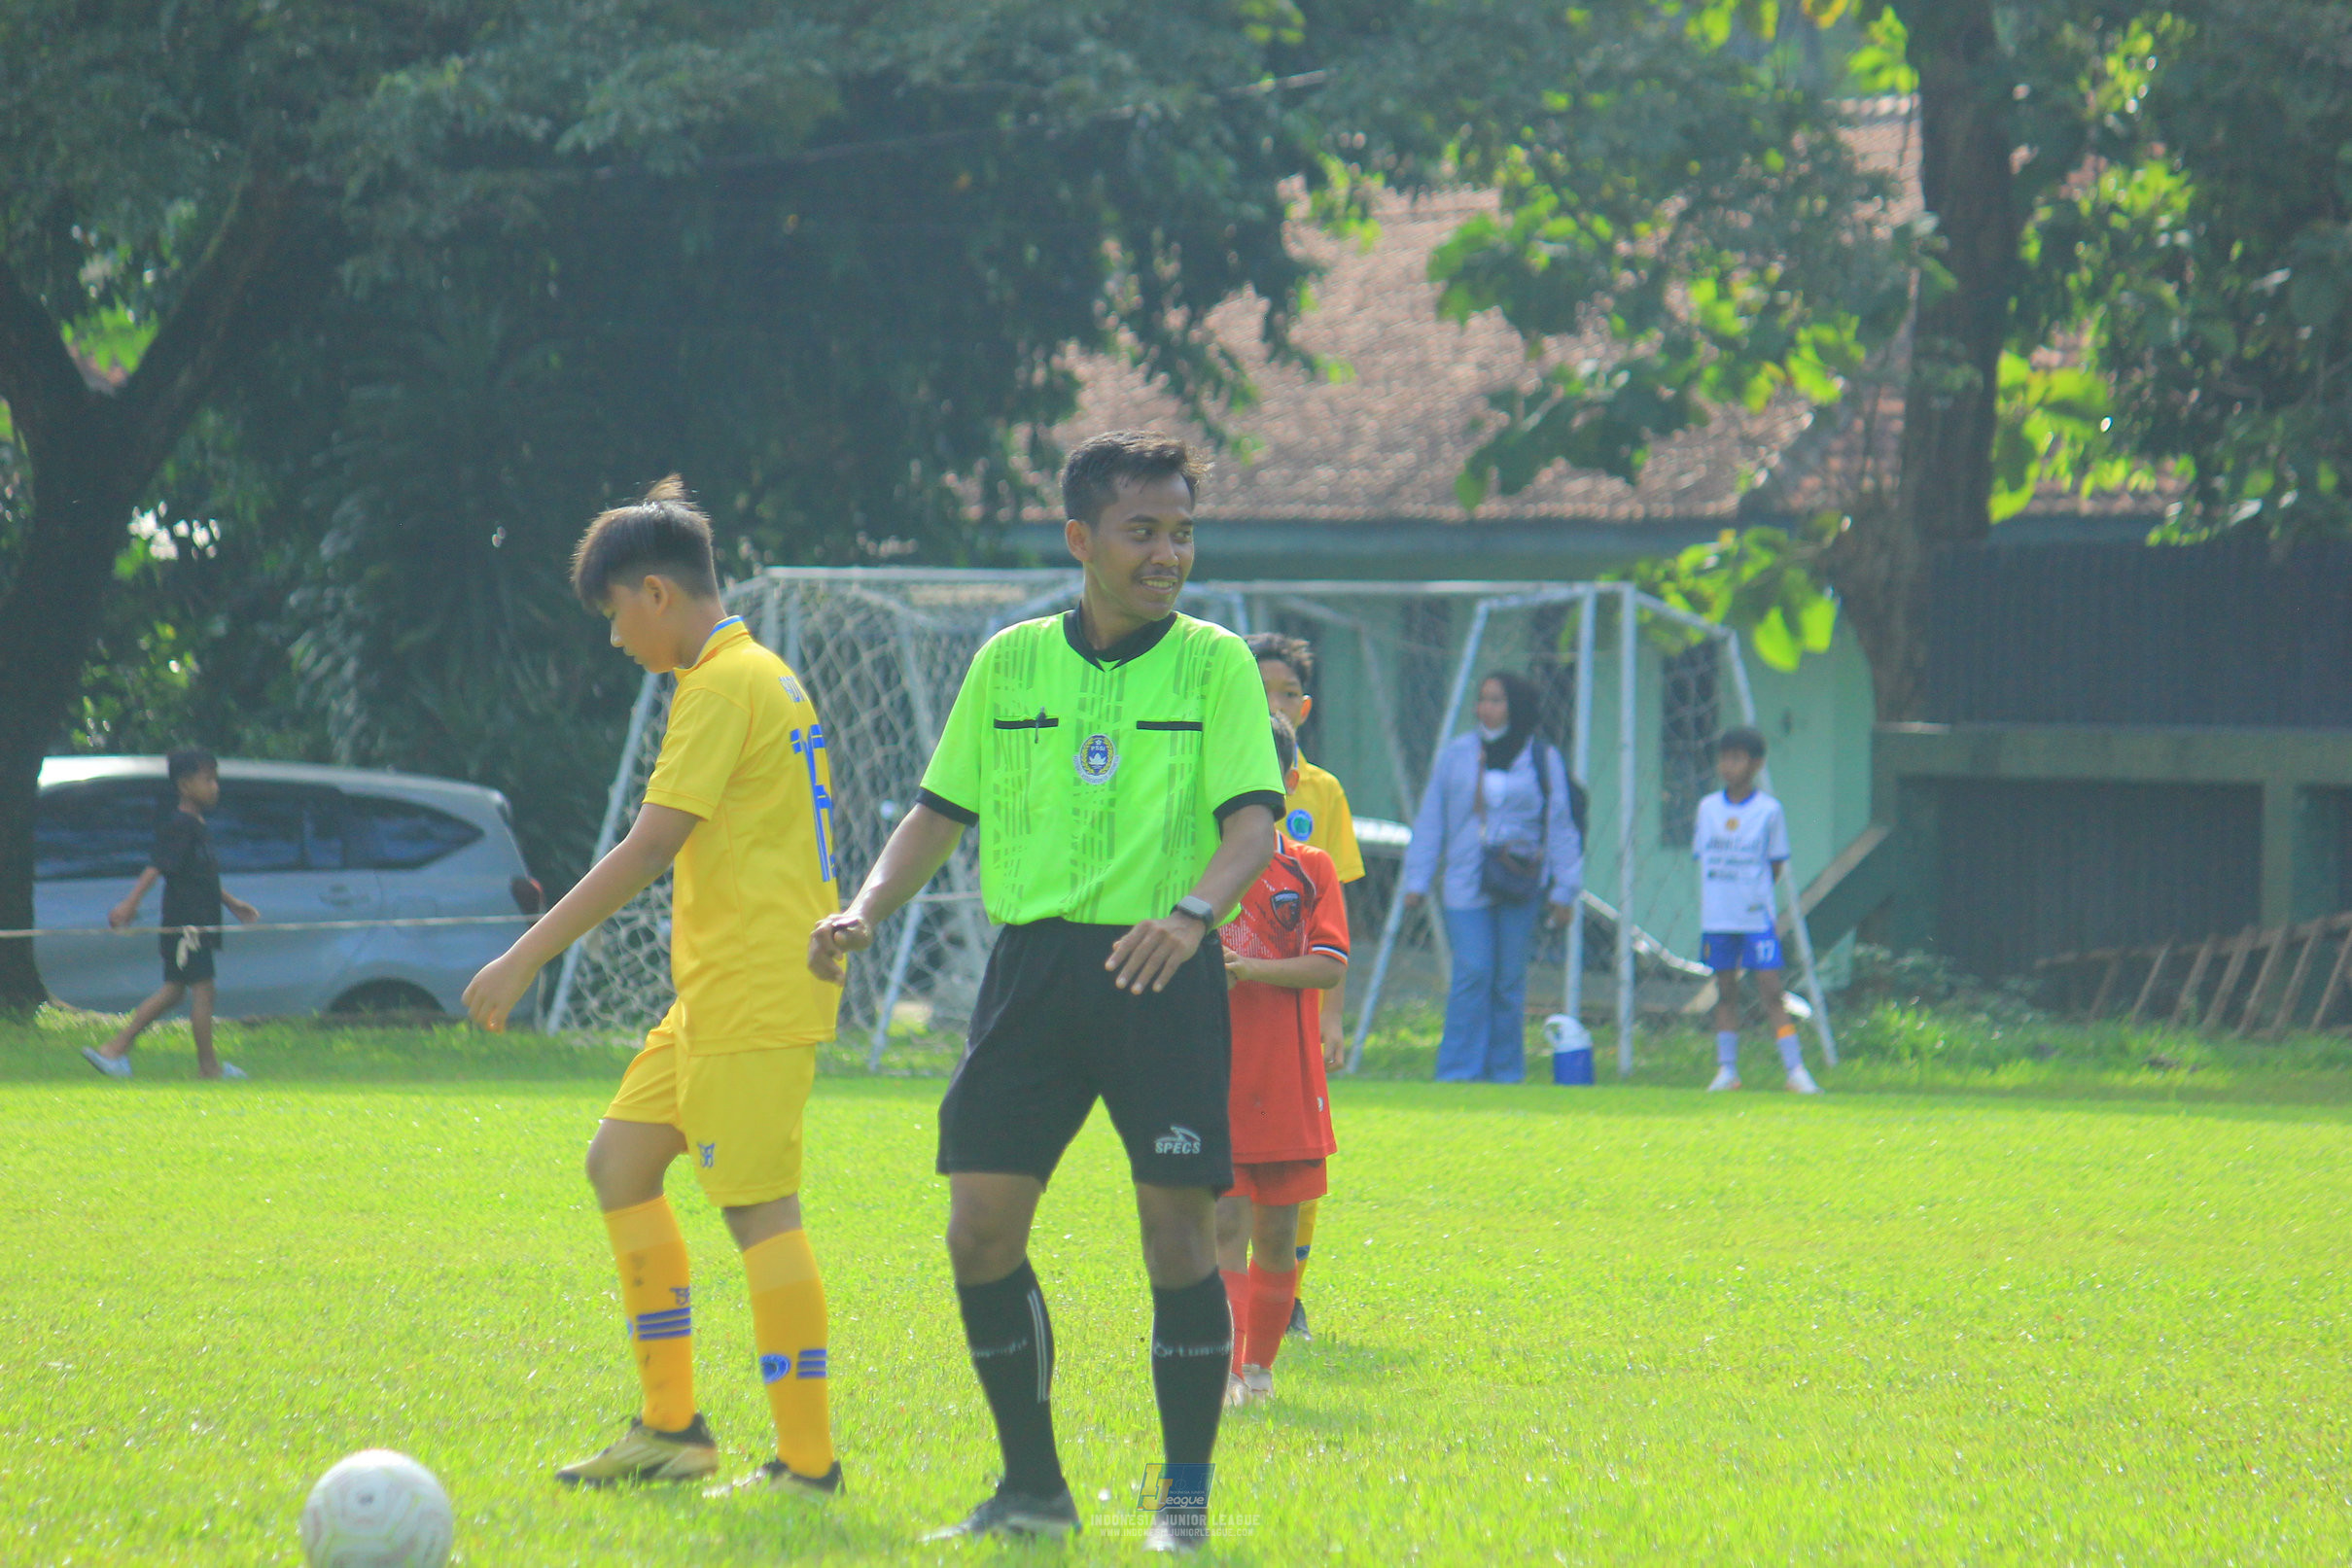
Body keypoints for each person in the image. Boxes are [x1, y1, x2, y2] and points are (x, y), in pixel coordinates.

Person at [808, 431, 1281, 1552]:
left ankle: (1183, 1503)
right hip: (1030, 972)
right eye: (1143, 531)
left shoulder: (1214, 663)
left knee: (1176, 1235)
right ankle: (1031, 1489)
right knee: (978, 1229)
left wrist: (1190, 916)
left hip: (1159, 968)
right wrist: (864, 907)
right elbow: (936, 811)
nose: (1167, 553)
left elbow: (1252, 824)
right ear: (1080, 539)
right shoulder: (1008, 661)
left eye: (1181, 532)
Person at [462, 476, 847, 1499]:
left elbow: (647, 847)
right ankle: (672, 1429)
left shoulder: (723, 682)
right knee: (620, 1164)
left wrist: (524, 953)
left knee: (760, 1208)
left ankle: (807, 1464)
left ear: (655, 594)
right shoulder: (756, 671)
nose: (617, 639)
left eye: (615, 617)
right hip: (714, 992)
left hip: (755, 991)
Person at [1215, 714, 1347, 1409]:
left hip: (1289, 1083)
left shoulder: (1311, 867)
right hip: (1216, 1077)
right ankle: (1228, 1368)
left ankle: (1259, 1367)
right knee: (1224, 1226)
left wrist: (1253, 969)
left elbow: (1327, 966)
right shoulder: (1191, 867)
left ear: (1288, 783)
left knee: (1275, 1232)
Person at [1244, 631, 1360, 1343]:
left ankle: (1287, 1293)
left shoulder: (1319, 791)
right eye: (1260, 689)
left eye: (1285, 692)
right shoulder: (1223, 775)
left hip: (1296, 1001)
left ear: (1305, 705)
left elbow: (1336, 915)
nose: (1273, 702)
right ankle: (1235, 1297)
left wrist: (1332, 1018)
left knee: (1298, 1156)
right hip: (1236, 1005)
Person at [1402, 672, 1581, 1083]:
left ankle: (1505, 1072)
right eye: (1482, 699)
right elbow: (1432, 818)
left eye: (1497, 700)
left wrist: (1566, 888)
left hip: (1520, 880)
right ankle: (1458, 1071)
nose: (1487, 708)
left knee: (1508, 980)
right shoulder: (1458, 754)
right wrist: (1417, 879)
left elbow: (1560, 823)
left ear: (1515, 706)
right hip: (1465, 879)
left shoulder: (1540, 755)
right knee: (1474, 970)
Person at [82, 747, 260, 1081]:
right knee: (202, 991)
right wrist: (129, 904)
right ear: (184, 784)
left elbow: (199, 876)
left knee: (174, 990)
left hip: (196, 921)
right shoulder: (181, 826)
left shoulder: (196, 826)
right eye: (207, 779)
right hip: (187, 926)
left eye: (215, 779)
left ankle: (114, 1049)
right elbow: (158, 867)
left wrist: (231, 903)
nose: (214, 786)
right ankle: (208, 1068)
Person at [1696, 726, 1822, 1095]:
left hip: (1754, 917)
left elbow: (1775, 865)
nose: (1728, 766)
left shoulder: (1769, 811)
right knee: (1726, 991)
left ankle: (1795, 1069)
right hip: (1718, 917)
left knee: (1771, 991)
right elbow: (1706, 859)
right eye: (1724, 758)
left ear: (1756, 764)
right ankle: (1727, 1071)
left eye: (1737, 758)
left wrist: (1753, 892)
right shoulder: (1707, 809)